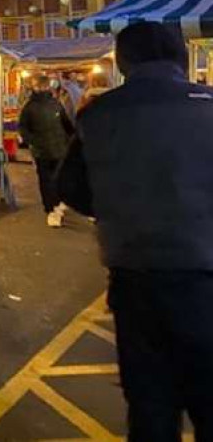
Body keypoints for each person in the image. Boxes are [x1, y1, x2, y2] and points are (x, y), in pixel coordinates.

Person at [58, 22, 213, 441]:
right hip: (205, 276)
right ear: (182, 60)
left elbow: (69, 187)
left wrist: (118, 208)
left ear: (123, 63)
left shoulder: (99, 115)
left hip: (135, 281)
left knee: (150, 406)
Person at [19, 74, 74, 228]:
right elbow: (23, 128)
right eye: (42, 86)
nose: (44, 88)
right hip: (46, 149)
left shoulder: (50, 104)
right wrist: (33, 141)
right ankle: (51, 207)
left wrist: (72, 138)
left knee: (51, 178)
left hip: (54, 148)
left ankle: (54, 206)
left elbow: (66, 124)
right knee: (48, 179)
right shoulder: (39, 105)